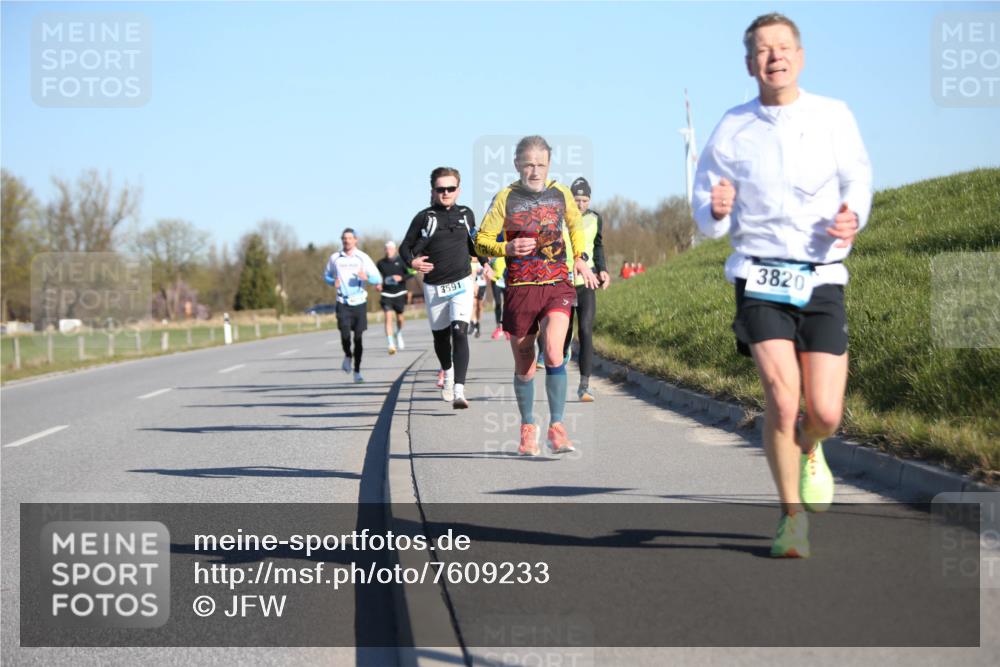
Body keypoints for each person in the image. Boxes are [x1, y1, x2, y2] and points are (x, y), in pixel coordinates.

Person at [693, 13, 872, 558]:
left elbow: (857, 177)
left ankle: (813, 447)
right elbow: (705, 210)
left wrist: (852, 217)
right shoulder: (732, 127)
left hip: (821, 277)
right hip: (759, 275)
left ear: (800, 55)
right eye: (763, 50)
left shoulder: (832, 116)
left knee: (824, 412)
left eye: (784, 47)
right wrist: (716, 209)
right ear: (750, 64)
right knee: (780, 393)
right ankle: (791, 517)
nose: (775, 57)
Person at [475, 135, 598, 456]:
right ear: (517, 164)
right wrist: (507, 247)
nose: (534, 170)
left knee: (555, 353)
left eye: (540, 164)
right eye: (528, 164)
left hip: (557, 283)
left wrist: (581, 258)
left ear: (549, 165)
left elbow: (575, 226)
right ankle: (528, 427)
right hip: (519, 288)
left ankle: (557, 428)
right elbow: (481, 241)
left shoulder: (561, 194)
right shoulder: (504, 198)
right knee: (526, 364)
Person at [401, 166, 491, 409]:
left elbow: (475, 245)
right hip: (435, 287)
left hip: (462, 282)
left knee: (460, 332)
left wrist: (485, 263)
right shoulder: (424, 217)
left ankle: (460, 390)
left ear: (458, 190)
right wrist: (413, 262)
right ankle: (448, 373)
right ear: (433, 191)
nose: (446, 193)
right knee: (441, 338)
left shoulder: (466, 214)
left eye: (451, 188)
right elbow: (405, 247)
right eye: (441, 189)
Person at [565, 177, 610, 401]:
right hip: (562, 285)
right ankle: (557, 362)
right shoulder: (560, 219)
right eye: (576, 199)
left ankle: (584, 385)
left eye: (584, 200)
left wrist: (602, 269)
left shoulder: (595, 218)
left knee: (585, 330)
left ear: (589, 200)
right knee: (563, 336)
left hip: (586, 283)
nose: (581, 203)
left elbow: (598, 246)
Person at [324, 228, 382, 383]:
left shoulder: (362, 257)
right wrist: (332, 282)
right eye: (344, 238)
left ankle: (357, 371)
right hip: (342, 301)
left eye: (349, 238)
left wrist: (367, 277)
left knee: (358, 338)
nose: (346, 241)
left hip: (359, 302)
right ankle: (348, 356)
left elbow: (377, 278)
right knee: (344, 334)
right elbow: (327, 275)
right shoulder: (335, 258)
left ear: (356, 240)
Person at [375, 240, 410, 354]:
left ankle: (398, 333)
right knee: (388, 318)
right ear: (385, 250)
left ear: (394, 249)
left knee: (400, 319)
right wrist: (378, 284)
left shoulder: (401, 261)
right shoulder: (380, 263)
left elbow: (411, 273)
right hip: (386, 294)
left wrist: (401, 278)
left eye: (391, 248)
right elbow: (376, 278)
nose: (388, 250)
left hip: (400, 293)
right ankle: (390, 344)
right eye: (387, 248)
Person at [488, 255, 509, 340]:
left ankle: (507, 328)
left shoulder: (507, 252)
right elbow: (487, 266)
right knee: (498, 303)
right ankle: (498, 327)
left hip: (506, 281)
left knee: (507, 305)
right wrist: (489, 273)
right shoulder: (493, 254)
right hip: (496, 281)